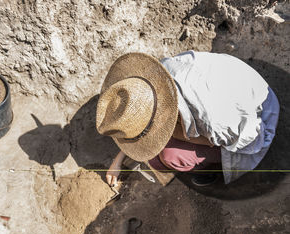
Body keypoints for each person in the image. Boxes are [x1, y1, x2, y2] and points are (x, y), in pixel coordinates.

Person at [96, 51, 280, 187]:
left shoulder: (214, 120)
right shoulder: (156, 79)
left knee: (170, 157)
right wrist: (118, 160)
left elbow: (253, 142)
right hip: (234, 80)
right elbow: (137, 120)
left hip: (258, 119)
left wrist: (188, 137)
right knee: (156, 158)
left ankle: (211, 170)